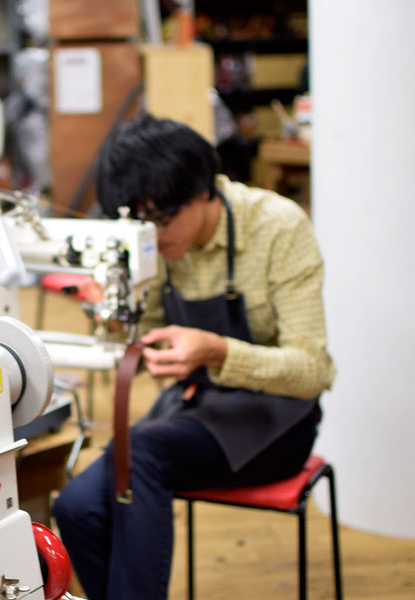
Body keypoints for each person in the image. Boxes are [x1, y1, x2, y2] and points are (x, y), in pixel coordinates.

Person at [52, 114, 335, 600]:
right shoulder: (150, 241)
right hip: (197, 411)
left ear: (205, 188)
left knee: (141, 453)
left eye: (163, 219)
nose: (155, 238)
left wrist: (219, 351)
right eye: (142, 223)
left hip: (280, 419)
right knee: (76, 505)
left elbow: (314, 371)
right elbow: (148, 340)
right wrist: (118, 320)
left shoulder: (277, 228)